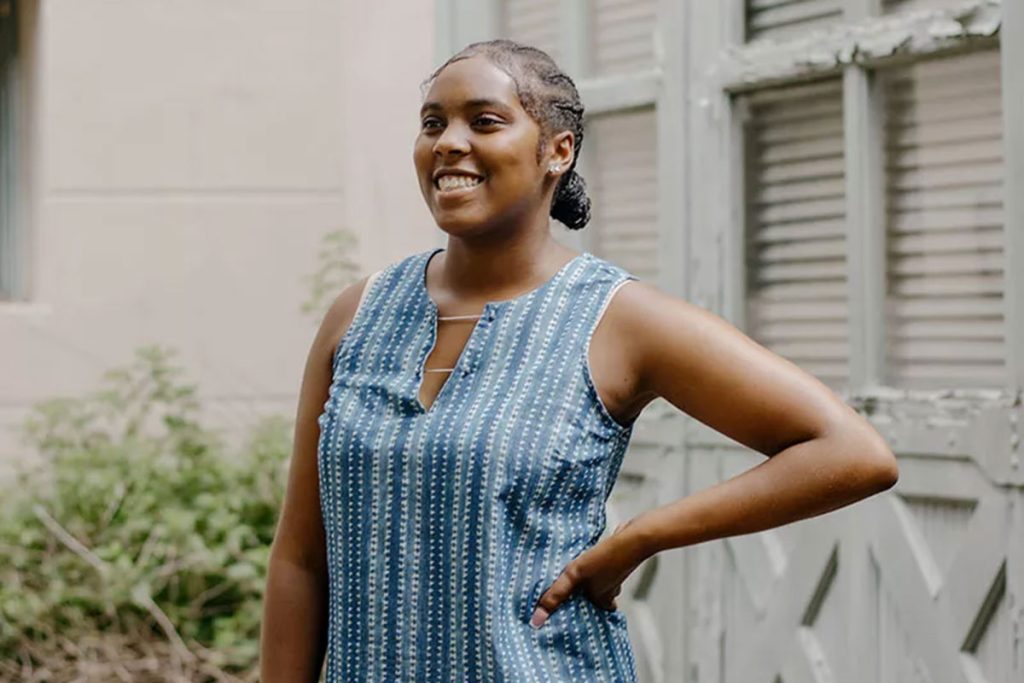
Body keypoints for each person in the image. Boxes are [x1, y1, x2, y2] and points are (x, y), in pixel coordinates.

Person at [259, 39, 898, 682]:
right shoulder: (359, 313)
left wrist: (640, 537)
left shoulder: (617, 319)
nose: (448, 142)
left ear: (557, 151)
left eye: (484, 121)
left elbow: (850, 451)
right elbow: (301, 559)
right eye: (433, 123)